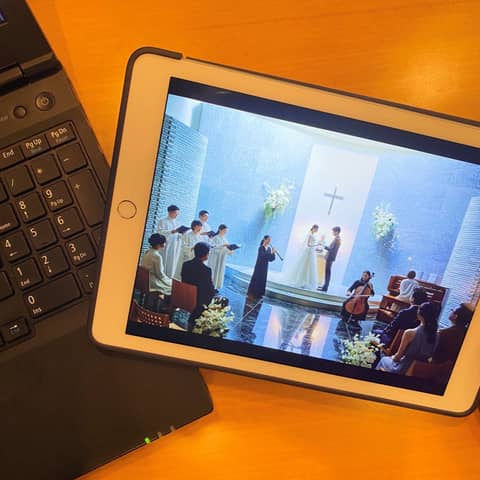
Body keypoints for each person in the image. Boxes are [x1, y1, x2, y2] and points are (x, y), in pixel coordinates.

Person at [376, 301, 439, 374]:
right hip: (420, 371)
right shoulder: (437, 334)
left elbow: (397, 357)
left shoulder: (410, 333)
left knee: (383, 359)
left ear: (419, 314)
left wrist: (392, 357)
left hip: (403, 369)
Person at [181, 242, 216, 332]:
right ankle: (198, 322)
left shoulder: (186, 264)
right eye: (208, 253)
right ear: (205, 255)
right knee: (214, 296)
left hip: (184, 294)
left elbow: (184, 280)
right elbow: (210, 289)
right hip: (197, 300)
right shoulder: (206, 270)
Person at [292, 224, 322, 290]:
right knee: (305, 266)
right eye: (317, 229)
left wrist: (316, 246)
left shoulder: (313, 234)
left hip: (311, 251)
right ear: (314, 228)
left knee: (310, 267)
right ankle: (302, 281)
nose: (317, 230)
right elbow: (308, 244)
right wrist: (316, 244)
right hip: (308, 251)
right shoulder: (310, 234)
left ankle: (307, 281)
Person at [247, 235, 277, 299]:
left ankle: (260, 293)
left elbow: (271, 259)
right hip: (259, 266)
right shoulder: (261, 248)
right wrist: (271, 253)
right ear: (264, 239)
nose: (269, 241)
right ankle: (254, 292)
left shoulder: (269, 248)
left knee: (262, 279)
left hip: (265, 267)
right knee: (257, 278)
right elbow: (262, 257)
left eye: (270, 240)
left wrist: (273, 253)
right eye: (268, 240)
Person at [157, 204, 181, 277]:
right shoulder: (163, 221)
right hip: (166, 244)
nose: (177, 215)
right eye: (176, 213)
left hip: (174, 245)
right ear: (170, 212)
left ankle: (169, 277)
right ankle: (161, 276)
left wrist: (181, 233)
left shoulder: (178, 223)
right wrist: (170, 232)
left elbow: (179, 234)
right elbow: (159, 232)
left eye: (178, 214)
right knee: (164, 260)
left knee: (172, 262)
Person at [207, 224, 233, 289]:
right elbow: (212, 247)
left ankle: (216, 286)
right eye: (224, 230)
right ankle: (210, 286)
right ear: (219, 230)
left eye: (226, 231)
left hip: (222, 258)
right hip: (215, 258)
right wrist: (223, 245)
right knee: (214, 271)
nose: (225, 232)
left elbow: (227, 248)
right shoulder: (215, 237)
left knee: (219, 272)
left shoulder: (225, 239)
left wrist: (231, 250)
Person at [319, 226, 341, 292]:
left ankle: (325, 287)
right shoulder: (337, 238)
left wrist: (324, 246)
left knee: (327, 272)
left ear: (336, 231)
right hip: (330, 257)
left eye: (333, 231)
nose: (332, 233)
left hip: (330, 257)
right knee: (327, 272)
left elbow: (331, 249)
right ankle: (325, 286)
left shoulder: (337, 239)